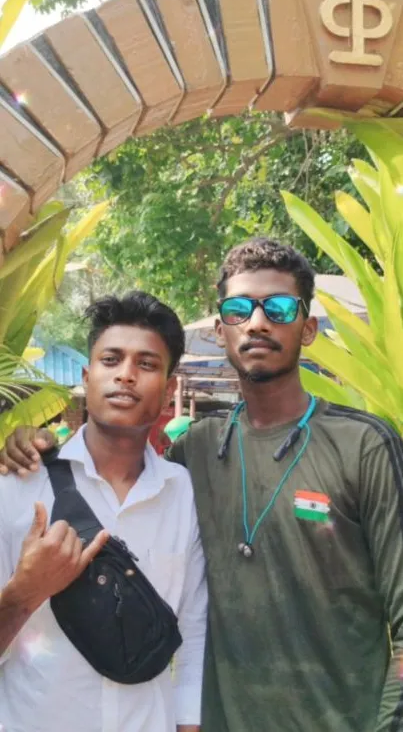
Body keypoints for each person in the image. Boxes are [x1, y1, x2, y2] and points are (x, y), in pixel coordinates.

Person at [3, 238, 403, 732]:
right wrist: (30, 444)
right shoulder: (196, 452)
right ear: (220, 331)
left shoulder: (362, 446)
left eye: (278, 307)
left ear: (309, 328)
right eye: (239, 310)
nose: (257, 322)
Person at [0, 291, 207, 732]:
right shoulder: (17, 484)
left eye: (146, 364)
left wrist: (189, 725)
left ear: (169, 389)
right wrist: (24, 592)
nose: (126, 375)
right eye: (111, 360)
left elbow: (193, 627)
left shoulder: (182, 491)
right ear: (87, 374)